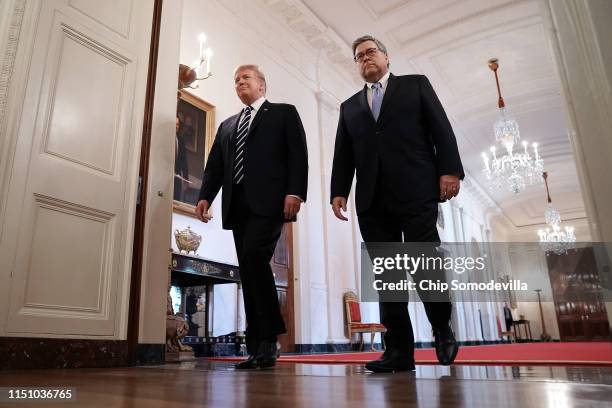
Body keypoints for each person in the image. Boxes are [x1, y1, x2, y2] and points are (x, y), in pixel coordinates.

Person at [330, 35, 464, 372]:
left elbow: (441, 129)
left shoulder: (415, 85)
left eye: (371, 52)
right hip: (373, 199)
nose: (365, 59)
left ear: (387, 58)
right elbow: (343, 154)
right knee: (387, 275)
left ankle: (441, 328)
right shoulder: (350, 107)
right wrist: (338, 191)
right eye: (359, 56)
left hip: (416, 190)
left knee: (423, 264)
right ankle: (399, 351)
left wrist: (449, 170)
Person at [195, 64, 308, 369]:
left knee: (255, 259)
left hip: (270, 203)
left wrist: (295, 192)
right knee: (248, 270)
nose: (239, 82)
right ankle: (258, 346)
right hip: (238, 207)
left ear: (261, 85)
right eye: (235, 80)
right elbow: (215, 166)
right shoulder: (228, 125)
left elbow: (298, 154)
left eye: (245, 78)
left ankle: (268, 340)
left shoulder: (283, 113)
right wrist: (205, 196)